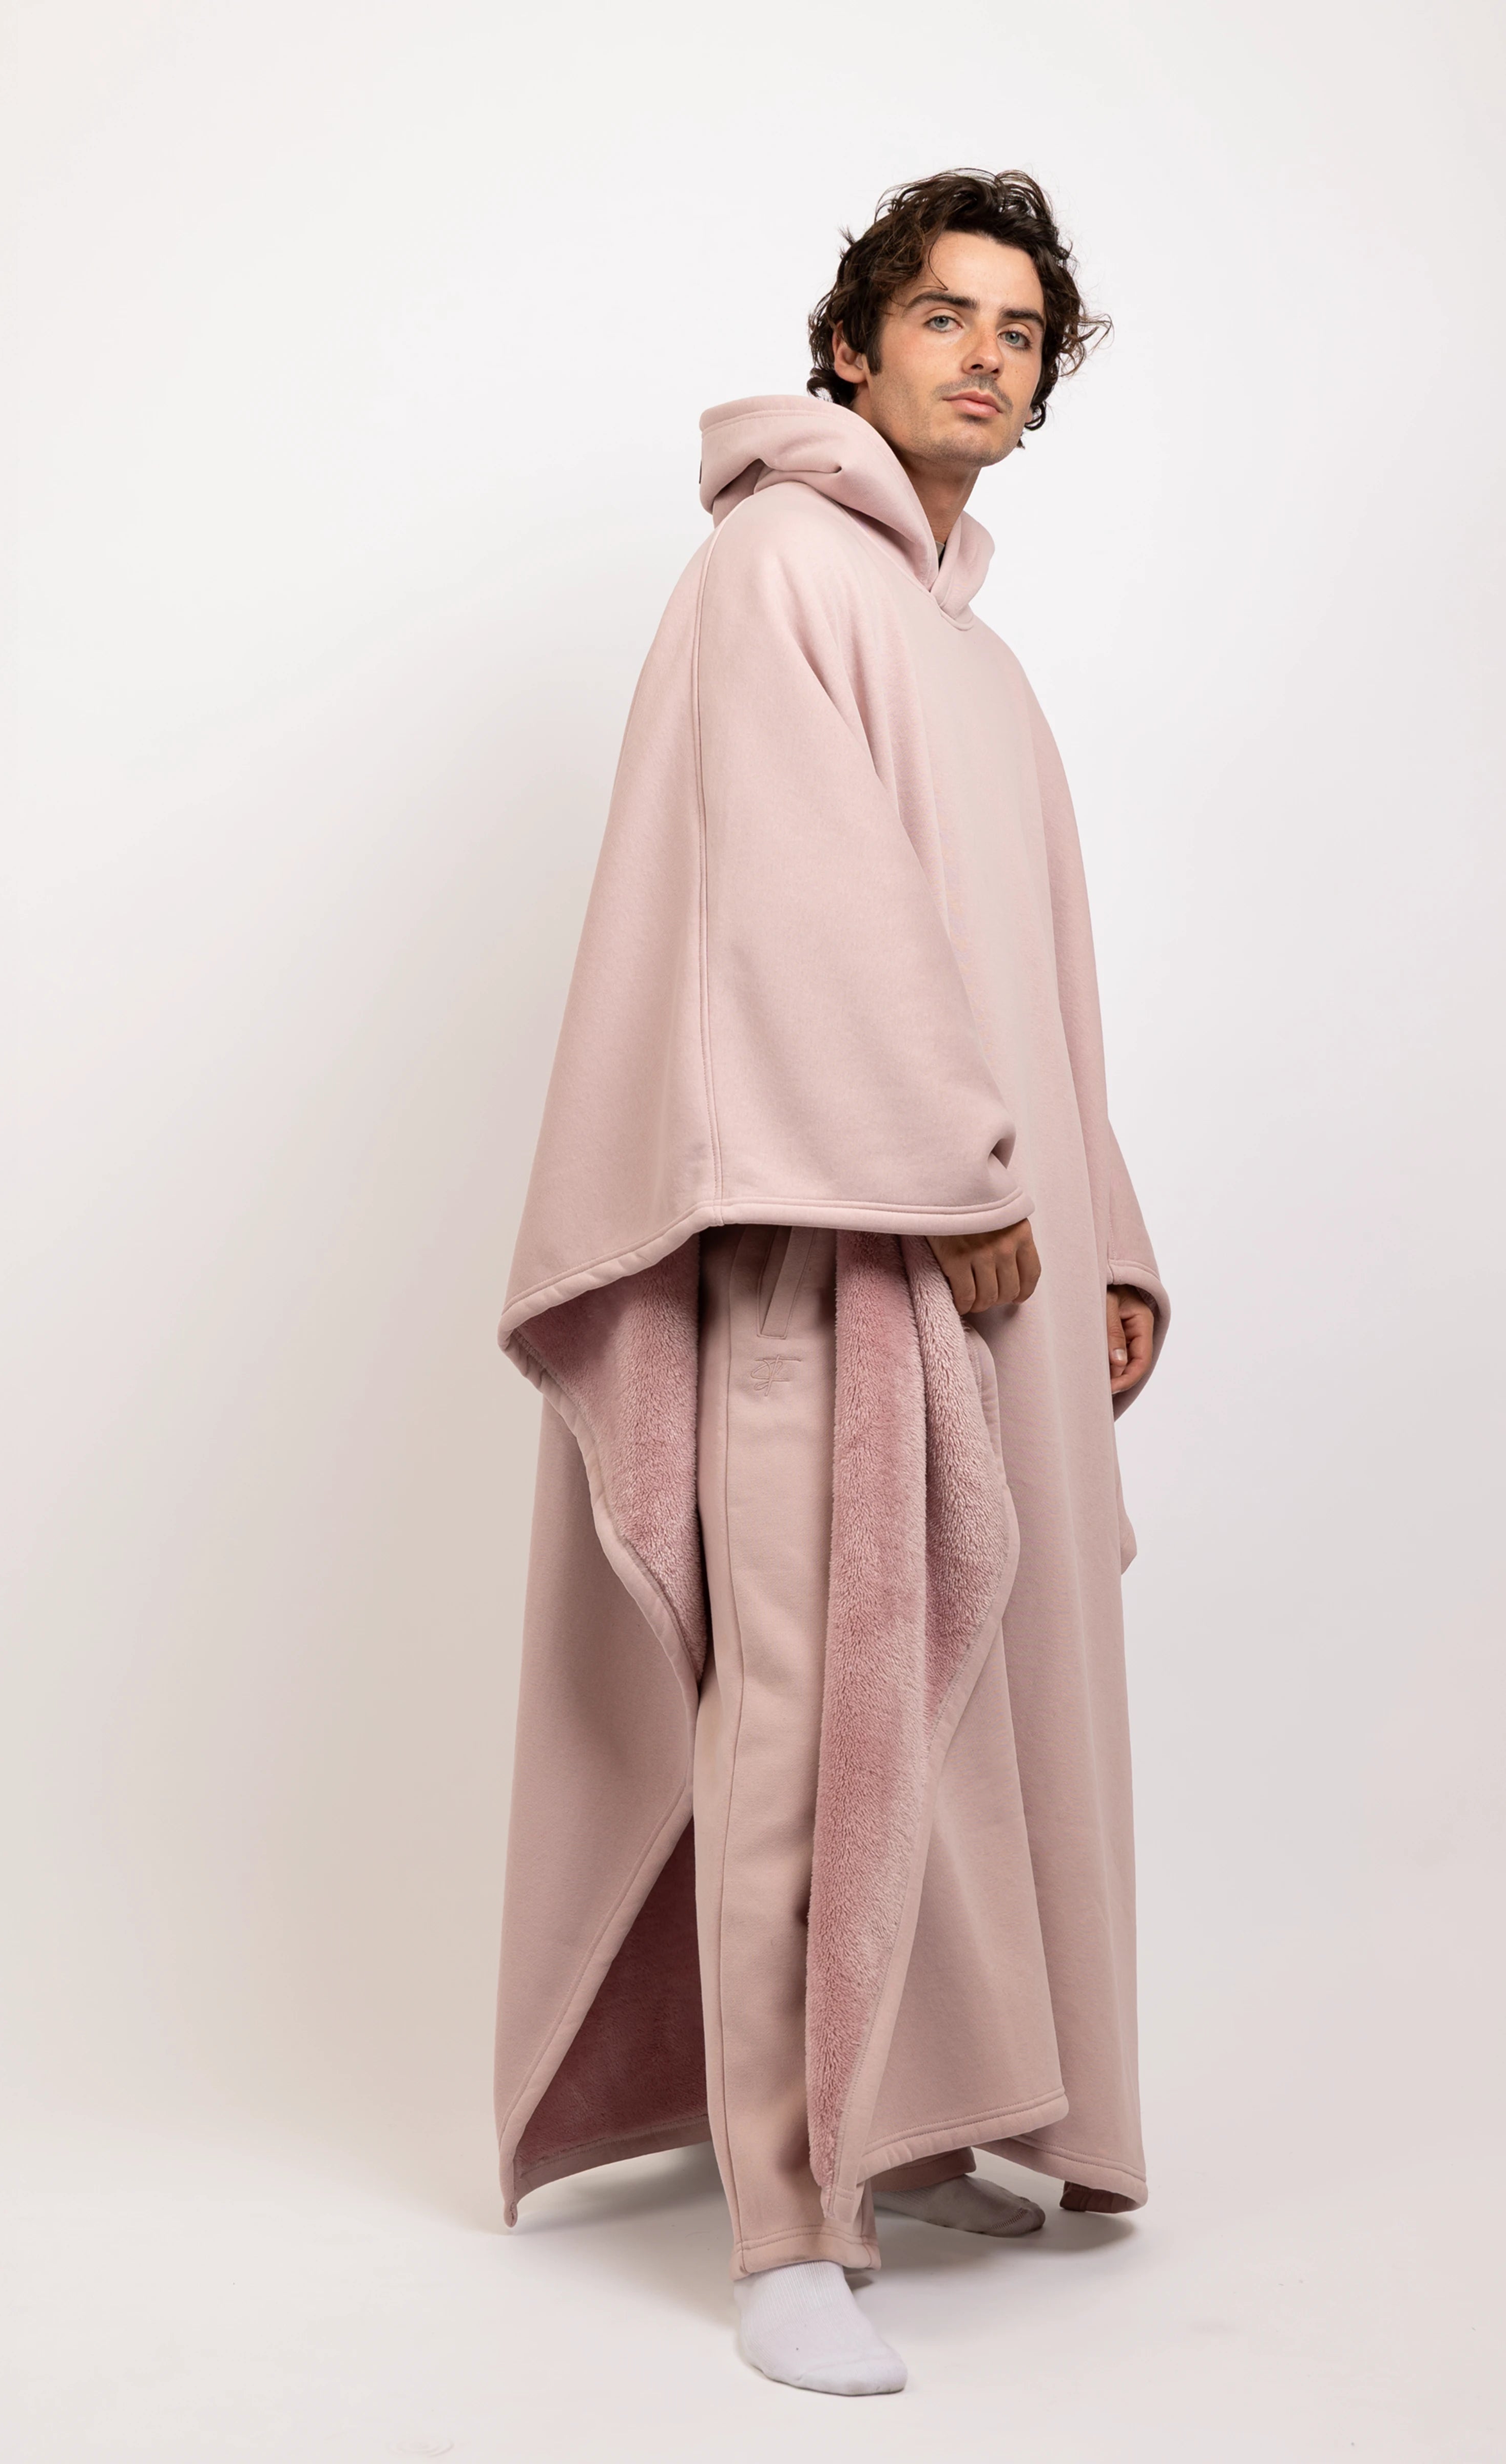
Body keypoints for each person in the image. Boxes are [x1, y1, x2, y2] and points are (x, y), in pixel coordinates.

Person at [493, 168, 1168, 2396]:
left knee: (976, 1692)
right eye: (942, 314)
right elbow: (791, 911)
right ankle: (790, 2226)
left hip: (986, 1243)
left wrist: (1108, 1234)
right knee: (813, 1708)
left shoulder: (982, 664)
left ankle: (918, 2113)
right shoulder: (775, 567)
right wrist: (932, 1170)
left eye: (1021, 329)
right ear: (855, 347)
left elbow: (1043, 993)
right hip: (834, 1242)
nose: (985, 352)